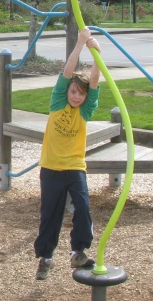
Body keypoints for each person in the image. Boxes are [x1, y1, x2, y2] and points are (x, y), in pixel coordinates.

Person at [34, 27, 102, 280]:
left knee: (82, 207)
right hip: (51, 166)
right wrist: (80, 43)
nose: (76, 96)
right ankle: (46, 257)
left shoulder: (85, 111)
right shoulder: (58, 102)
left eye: (81, 94)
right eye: (73, 91)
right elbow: (67, 72)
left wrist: (96, 53)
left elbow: (94, 80)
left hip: (74, 166)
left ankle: (78, 251)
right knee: (50, 212)